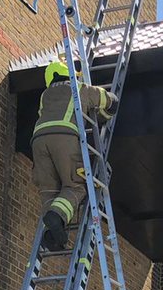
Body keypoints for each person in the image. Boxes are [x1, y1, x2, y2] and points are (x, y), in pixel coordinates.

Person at [31, 60, 118, 250]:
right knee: (76, 186)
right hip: (64, 138)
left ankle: (52, 235)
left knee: (49, 191)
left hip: (38, 141)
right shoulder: (78, 87)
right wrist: (109, 106)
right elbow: (107, 99)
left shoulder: (45, 95)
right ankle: (56, 216)